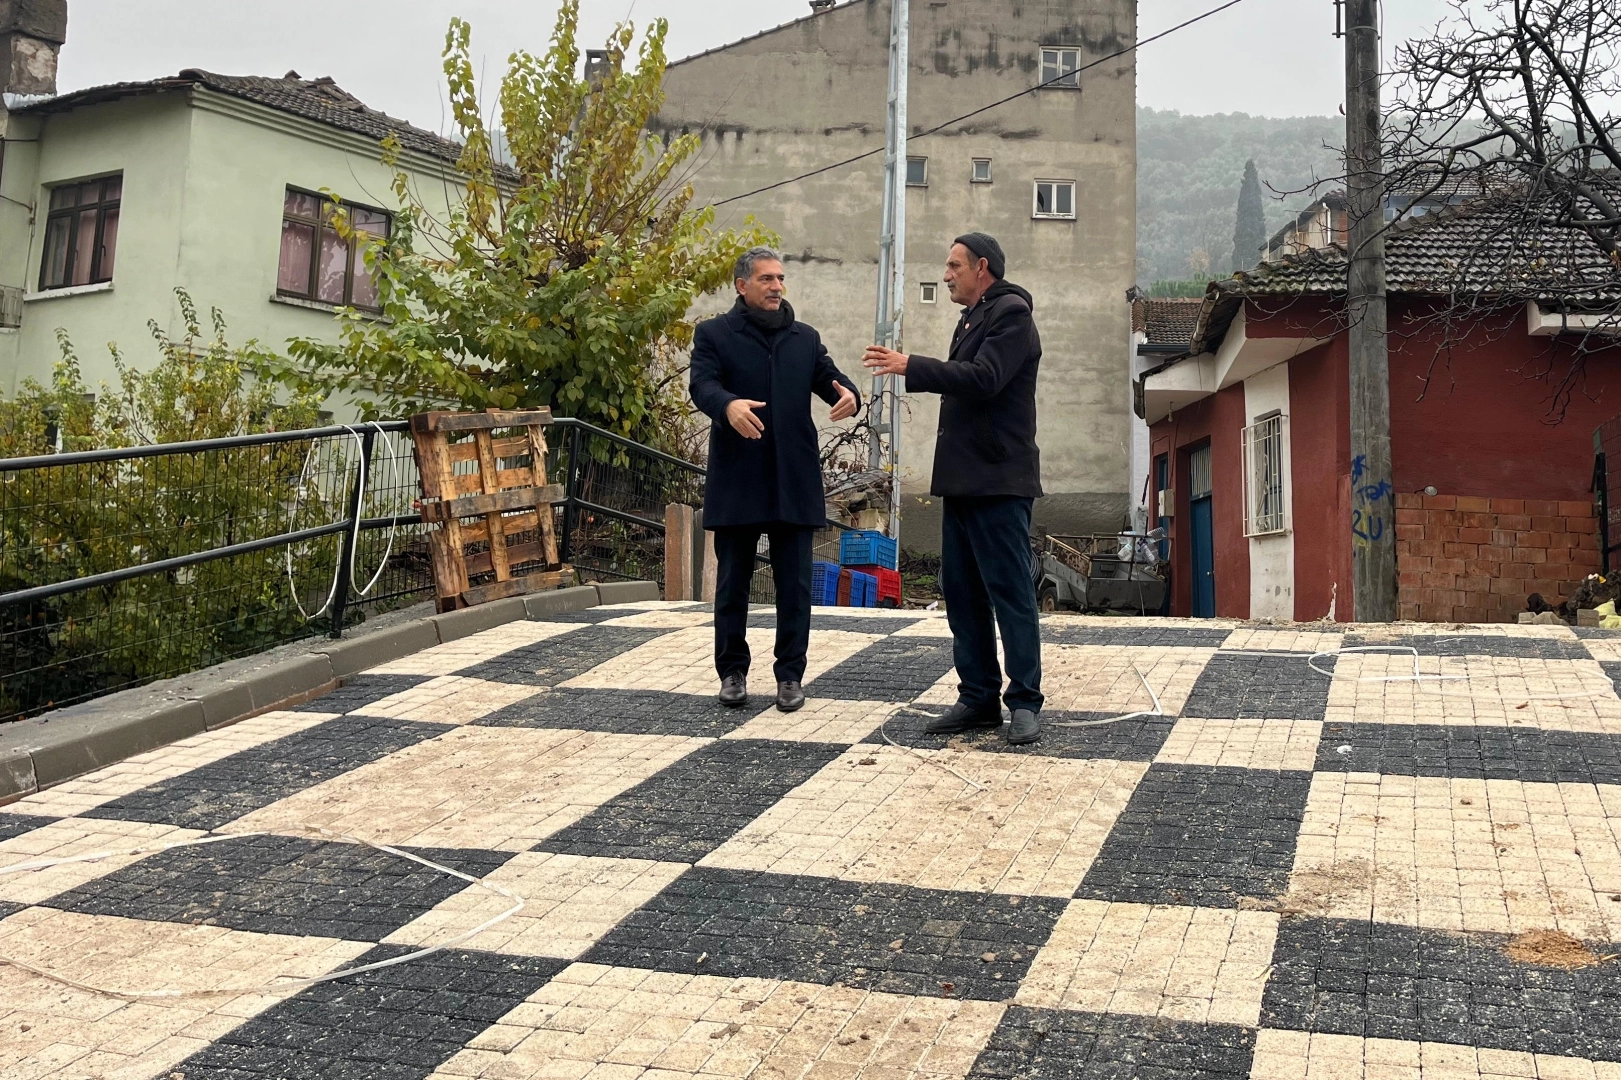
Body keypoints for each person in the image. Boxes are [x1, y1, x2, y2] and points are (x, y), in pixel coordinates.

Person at [863, 232, 1044, 745]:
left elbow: (984, 378)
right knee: (962, 595)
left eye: (954, 266)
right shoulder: (972, 319)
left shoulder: (1011, 314)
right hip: (964, 481)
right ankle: (979, 698)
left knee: (1010, 594)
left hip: (998, 480)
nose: (945, 275)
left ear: (982, 267)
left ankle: (1024, 702)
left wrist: (911, 365)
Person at [690, 247, 861, 711]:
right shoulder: (714, 334)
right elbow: (701, 384)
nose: (777, 286)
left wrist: (850, 394)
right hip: (738, 479)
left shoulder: (804, 338)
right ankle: (732, 672)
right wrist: (727, 404)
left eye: (780, 278)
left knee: (795, 588)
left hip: (793, 480)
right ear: (742, 285)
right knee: (732, 585)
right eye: (766, 279)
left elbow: (831, 379)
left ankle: (790, 675)